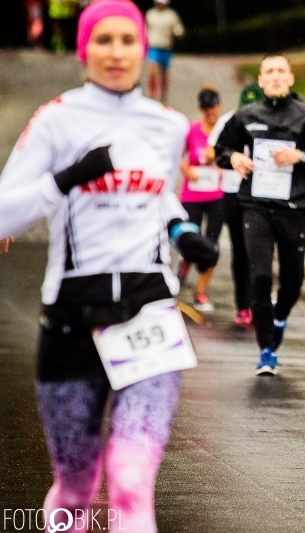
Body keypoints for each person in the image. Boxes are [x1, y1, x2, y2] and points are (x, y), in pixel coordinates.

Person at [0, 1, 217, 531]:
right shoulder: (56, 119)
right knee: (76, 488)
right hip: (72, 316)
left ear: (144, 49)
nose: (116, 53)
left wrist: (181, 230)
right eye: (103, 40)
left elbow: (156, 195)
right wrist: (66, 178)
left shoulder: (166, 126)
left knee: (131, 481)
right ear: (84, 50)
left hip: (149, 314)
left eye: (127, 40)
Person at [215, 54, 305, 376]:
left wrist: (300, 156)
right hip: (255, 206)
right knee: (260, 276)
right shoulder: (246, 116)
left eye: (281, 71)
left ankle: (280, 315)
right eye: (269, 72)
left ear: (291, 78)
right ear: (260, 80)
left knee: (293, 280)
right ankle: (266, 350)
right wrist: (234, 158)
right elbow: (221, 150)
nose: (275, 76)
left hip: (294, 208)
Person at [206, 82, 263, 327]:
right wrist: (233, 156)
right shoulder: (229, 120)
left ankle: (259, 301)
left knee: (260, 249)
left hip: (262, 192)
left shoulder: (270, 120)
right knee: (240, 248)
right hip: (233, 191)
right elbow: (212, 151)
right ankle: (243, 305)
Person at [176, 84, 225, 312]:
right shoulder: (192, 130)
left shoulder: (225, 130)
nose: (210, 113)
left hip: (217, 194)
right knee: (191, 239)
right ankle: (182, 271)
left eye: (213, 108)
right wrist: (186, 170)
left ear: (219, 106)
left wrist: (224, 164)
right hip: (193, 193)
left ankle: (201, 292)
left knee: (211, 245)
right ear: (200, 110)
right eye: (206, 109)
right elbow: (176, 156)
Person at [144, 0, 183, 103]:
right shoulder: (150, 14)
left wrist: (174, 31)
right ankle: (152, 96)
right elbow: (144, 28)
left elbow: (179, 30)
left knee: (164, 74)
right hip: (153, 47)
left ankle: (163, 97)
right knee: (152, 71)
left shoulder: (171, 15)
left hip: (165, 47)